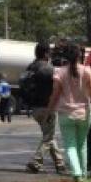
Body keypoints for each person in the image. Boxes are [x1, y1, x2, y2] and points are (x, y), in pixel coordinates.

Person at [47, 43, 91, 182]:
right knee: (82, 145)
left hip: (66, 114)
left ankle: (77, 174)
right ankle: (83, 175)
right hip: (84, 113)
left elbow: (55, 95)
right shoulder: (87, 71)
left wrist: (49, 112)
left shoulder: (59, 72)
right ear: (80, 56)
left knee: (70, 145)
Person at [24, 42, 67, 175]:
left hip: (34, 108)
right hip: (47, 107)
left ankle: (60, 164)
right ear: (46, 53)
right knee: (48, 137)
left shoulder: (30, 67)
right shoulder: (49, 69)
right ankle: (36, 162)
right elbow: (58, 87)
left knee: (49, 135)